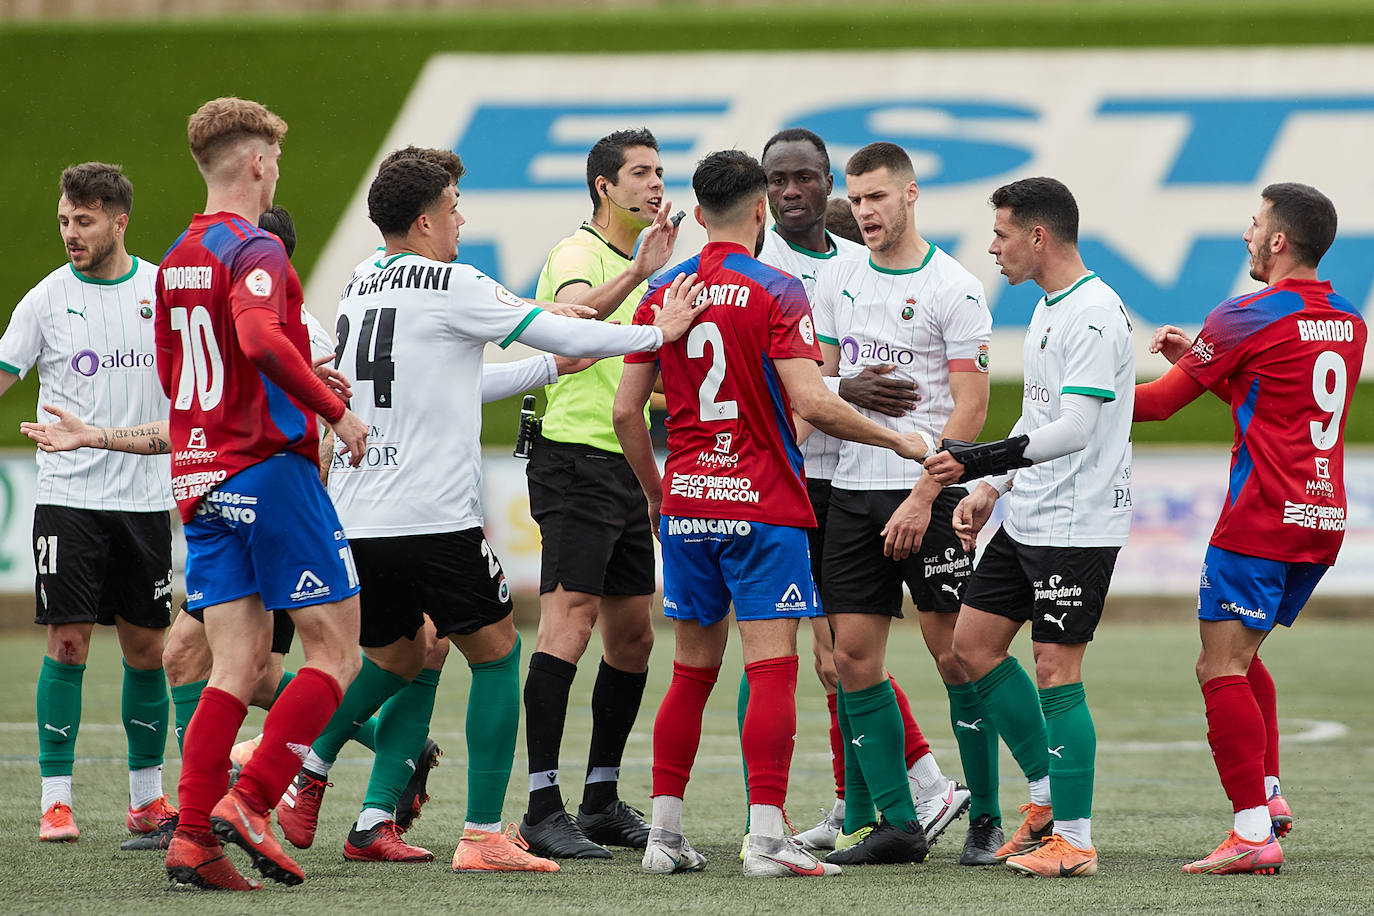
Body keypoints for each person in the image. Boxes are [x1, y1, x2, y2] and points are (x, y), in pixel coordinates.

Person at [310, 155, 706, 874]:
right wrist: (657, 331)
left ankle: (300, 771)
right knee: (497, 653)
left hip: (360, 510)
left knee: (399, 656)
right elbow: (566, 330)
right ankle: (487, 831)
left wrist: (550, 367)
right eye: (456, 207)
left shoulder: (359, 283)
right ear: (426, 219)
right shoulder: (456, 279)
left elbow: (462, 376)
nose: (464, 220)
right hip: (434, 512)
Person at [613, 149, 934, 878]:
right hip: (762, 504)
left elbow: (626, 411)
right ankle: (764, 840)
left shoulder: (664, 291)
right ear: (761, 211)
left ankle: (664, 838)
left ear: (697, 216)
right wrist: (902, 442)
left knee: (690, 671)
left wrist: (659, 492)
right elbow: (815, 402)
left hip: (690, 500)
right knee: (772, 670)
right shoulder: (778, 289)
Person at [156, 96, 370, 892]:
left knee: (235, 665)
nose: (275, 170)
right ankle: (251, 801)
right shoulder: (256, 250)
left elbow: (176, 374)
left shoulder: (177, 254)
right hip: (266, 468)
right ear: (255, 163)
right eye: (273, 159)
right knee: (337, 650)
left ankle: (191, 839)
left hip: (201, 474)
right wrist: (332, 408)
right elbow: (253, 334)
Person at [1132, 183, 1364, 876]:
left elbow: (1157, 409)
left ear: (1279, 240)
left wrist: (1074, 394)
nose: (1246, 234)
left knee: (1219, 666)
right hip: (1320, 517)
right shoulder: (1349, 321)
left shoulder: (1243, 314)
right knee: (1245, 657)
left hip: (1260, 515)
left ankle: (1251, 830)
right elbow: (1277, 394)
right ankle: (1268, 792)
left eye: (1254, 223)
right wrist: (1201, 360)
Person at [753, 129, 956, 859]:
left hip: (846, 475)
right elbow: (781, 376)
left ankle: (917, 788)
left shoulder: (850, 265)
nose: (791, 191)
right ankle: (872, 798)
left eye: (805, 177)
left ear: (826, 182)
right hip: (795, 471)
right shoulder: (759, 261)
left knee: (834, 653)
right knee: (828, 655)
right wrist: (842, 386)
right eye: (778, 180)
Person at [925, 175, 1135, 878]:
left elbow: (1075, 429)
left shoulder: (1097, 314)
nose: (994, 248)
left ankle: (1074, 840)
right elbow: (1038, 418)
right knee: (973, 646)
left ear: (1038, 237)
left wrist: (974, 460)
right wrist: (989, 487)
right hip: (1033, 513)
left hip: (1078, 523)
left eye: (1002, 234)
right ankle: (1045, 803)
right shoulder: (1050, 307)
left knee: (1055, 668)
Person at [808, 142, 990, 866]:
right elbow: (819, 382)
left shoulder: (956, 285)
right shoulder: (838, 277)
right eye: (856, 200)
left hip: (930, 497)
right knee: (851, 658)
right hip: (852, 493)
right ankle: (897, 825)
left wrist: (923, 495)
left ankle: (991, 815)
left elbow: (971, 408)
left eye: (877, 197)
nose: (866, 211)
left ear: (911, 195)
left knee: (959, 657)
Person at [0, 163, 175, 844]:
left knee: (145, 649)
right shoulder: (46, 298)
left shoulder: (161, 289)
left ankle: (146, 801)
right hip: (69, 497)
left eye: (85, 220)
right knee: (67, 642)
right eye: (65, 220)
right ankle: (55, 802)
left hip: (147, 496)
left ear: (119, 220)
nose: (72, 233)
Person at [518, 128, 680, 859]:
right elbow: (573, 337)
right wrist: (641, 275)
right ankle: (541, 805)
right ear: (603, 187)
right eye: (639, 173)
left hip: (625, 460)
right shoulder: (578, 254)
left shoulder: (651, 262)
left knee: (634, 636)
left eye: (659, 172)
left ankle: (601, 797)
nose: (654, 184)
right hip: (574, 459)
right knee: (569, 623)